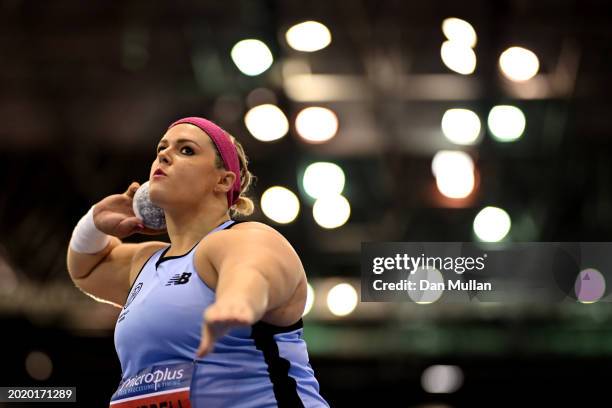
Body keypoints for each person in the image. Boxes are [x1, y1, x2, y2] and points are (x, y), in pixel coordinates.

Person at [66, 117, 329, 407]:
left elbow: (250, 272)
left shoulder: (244, 238)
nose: (164, 155)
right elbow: (84, 268)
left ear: (223, 180)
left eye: (186, 150)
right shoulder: (146, 262)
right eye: (161, 149)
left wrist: (237, 302)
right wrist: (95, 221)